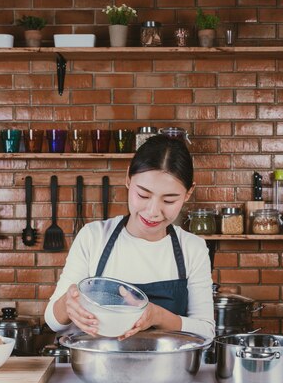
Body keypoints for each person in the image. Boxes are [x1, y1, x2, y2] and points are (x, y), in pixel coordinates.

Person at [44, 135, 215, 340]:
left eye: (169, 200)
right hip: (97, 368)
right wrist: (67, 304)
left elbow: (206, 332)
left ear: (188, 193)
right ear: (128, 179)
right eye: (143, 195)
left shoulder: (192, 248)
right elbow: (52, 322)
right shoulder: (94, 237)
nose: (153, 211)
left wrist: (157, 315)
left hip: (169, 370)